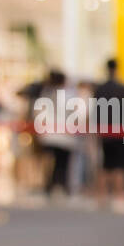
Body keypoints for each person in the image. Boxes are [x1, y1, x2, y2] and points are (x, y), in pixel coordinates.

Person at [95, 59, 124, 203]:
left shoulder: (100, 88)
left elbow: (95, 110)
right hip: (120, 131)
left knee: (105, 163)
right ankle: (119, 195)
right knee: (120, 164)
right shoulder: (122, 88)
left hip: (104, 131)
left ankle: (102, 194)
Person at [38, 70, 76, 198]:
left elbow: (39, 113)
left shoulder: (46, 93)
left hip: (48, 134)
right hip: (64, 135)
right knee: (62, 163)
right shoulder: (68, 95)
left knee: (50, 161)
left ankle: (49, 185)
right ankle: (61, 185)